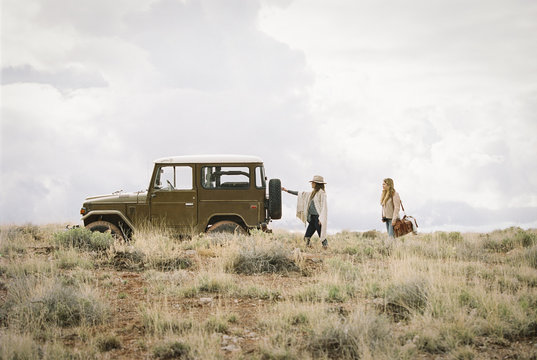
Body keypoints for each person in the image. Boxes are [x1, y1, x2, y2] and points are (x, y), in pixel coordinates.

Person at [282, 175, 328, 248]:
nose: (311, 183)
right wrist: (287, 190)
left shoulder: (322, 193)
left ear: (316, 183)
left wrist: (321, 218)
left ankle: (326, 248)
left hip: (318, 218)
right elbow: (300, 194)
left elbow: (324, 207)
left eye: (313, 182)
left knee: (322, 235)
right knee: (307, 237)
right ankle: (309, 248)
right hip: (312, 218)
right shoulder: (312, 194)